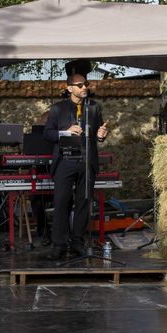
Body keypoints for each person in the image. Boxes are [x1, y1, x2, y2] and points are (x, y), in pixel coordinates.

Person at [43, 73, 108, 260]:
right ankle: (59, 244)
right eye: (79, 85)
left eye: (85, 84)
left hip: (87, 161)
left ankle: (78, 241)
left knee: (83, 202)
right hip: (66, 160)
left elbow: (97, 135)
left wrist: (101, 135)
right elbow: (47, 134)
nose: (84, 87)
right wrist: (66, 132)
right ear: (69, 88)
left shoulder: (94, 107)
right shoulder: (57, 109)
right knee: (62, 202)